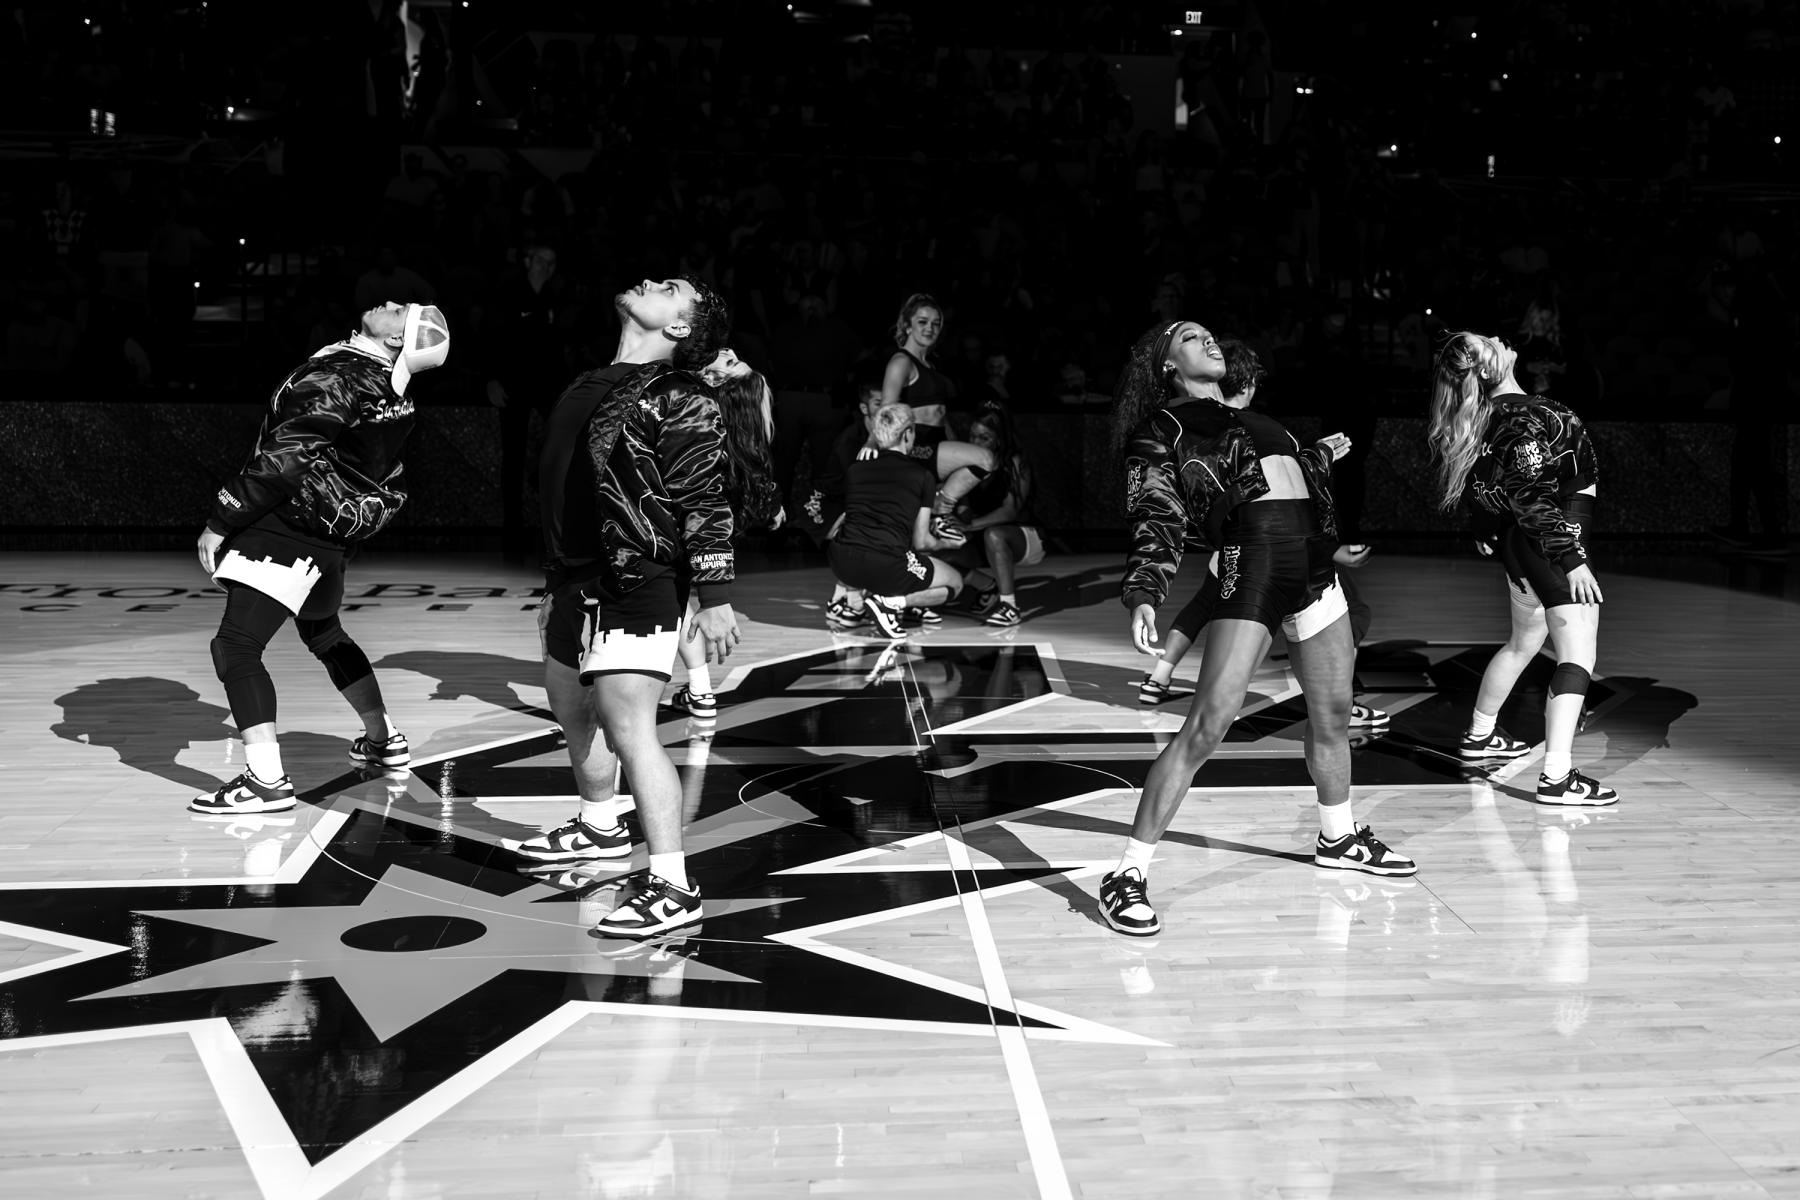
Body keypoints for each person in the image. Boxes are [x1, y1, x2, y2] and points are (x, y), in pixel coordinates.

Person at [1098, 319, 1417, 938]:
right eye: (1190, 338)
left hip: (1312, 568)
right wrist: (1144, 591)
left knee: (1333, 714)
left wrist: (1317, 461)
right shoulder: (1162, 429)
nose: (1209, 341)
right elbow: (1156, 513)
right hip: (1254, 564)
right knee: (1208, 723)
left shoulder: (1259, 420)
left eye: (1210, 334)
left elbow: (1285, 480)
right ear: (1167, 365)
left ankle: (1338, 836)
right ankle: (1126, 874)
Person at [506, 276, 740, 939]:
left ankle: (674, 885)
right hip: (572, 578)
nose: (650, 281)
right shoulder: (589, 381)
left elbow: (704, 494)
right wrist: (555, 579)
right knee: (569, 705)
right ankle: (600, 825)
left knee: (629, 724)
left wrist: (716, 595)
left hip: (636, 575)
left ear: (679, 327)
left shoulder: (682, 395)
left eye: (670, 288)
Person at [191, 302, 451, 815]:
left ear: (397, 341)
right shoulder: (390, 386)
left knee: (236, 647)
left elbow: (285, 456)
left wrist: (223, 515)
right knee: (324, 633)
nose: (388, 303)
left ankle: (266, 781)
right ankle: (383, 740)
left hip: (293, 524)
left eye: (400, 311)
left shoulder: (342, 378)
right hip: (332, 530)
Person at [1135, 340, 1388, 731]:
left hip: (1243, 548)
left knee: (1205, 609)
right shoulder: (1236, 428)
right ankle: (1339, 702)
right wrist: (1332, 548)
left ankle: (1161, 678)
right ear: (1250, 382)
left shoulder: (1218, 426)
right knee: (1349, 612)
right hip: (1264, 551)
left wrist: (1317, 456)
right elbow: (1278, 502)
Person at [1428, 331, 1617, 807]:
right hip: (1552, 542)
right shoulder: (1523, 416)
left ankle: (1480, 735)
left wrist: (1484, 525)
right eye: (1486, 340)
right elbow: (1532, 497)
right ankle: (1557, 777)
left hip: (1522, 546)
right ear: (1486, 368)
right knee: (1578, 656)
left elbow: (1488, 484)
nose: (1497, 336)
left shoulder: (1488, 417)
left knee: (1522, 644)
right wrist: (1572, 559)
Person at [667, 347, 783, 722]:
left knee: (678, 601)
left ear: (718, 383)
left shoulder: (695, 419)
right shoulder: (738, 435)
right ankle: (700, 691)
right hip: (703, 533)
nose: (729, 350)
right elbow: (759, 480)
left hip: (679, 528)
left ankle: (700, 690)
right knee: (680, 601)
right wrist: (773, 505)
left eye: (731, 362)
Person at [828, 403, 966, 639]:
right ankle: (888, 604)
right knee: (955, 583)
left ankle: (855, 604)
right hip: (885, 565)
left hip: (842, 563)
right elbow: (922, 542)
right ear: (907, 433)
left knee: (869, 549)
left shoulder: (855, 470)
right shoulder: (922, 476)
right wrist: (948, 544)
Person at [486, 244, 573, 554]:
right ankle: (513, 530)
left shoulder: (557, 297)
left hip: (549, 384)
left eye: (551, 262)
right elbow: (492, 336)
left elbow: (563, 343)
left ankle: (560, 525)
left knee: (562, 447)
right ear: (527, 261)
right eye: (539, 260)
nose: (544, 266)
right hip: (514, 382)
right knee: (513, 456)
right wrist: (491, 379)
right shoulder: (507, 293)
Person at [941, 405, 1046, 627]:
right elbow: (964, 507)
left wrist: (969, 526)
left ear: (999, 439)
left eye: (984, 438)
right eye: (972, 436)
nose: (976, 442)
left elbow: (1010, 510)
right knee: (939, 548)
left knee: (994, 535)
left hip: (1025, 536)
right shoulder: (967, 463)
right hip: (982, 534)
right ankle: (987, 587)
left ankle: (1010, 607)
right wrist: (958, 526)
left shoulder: (1015, 462)